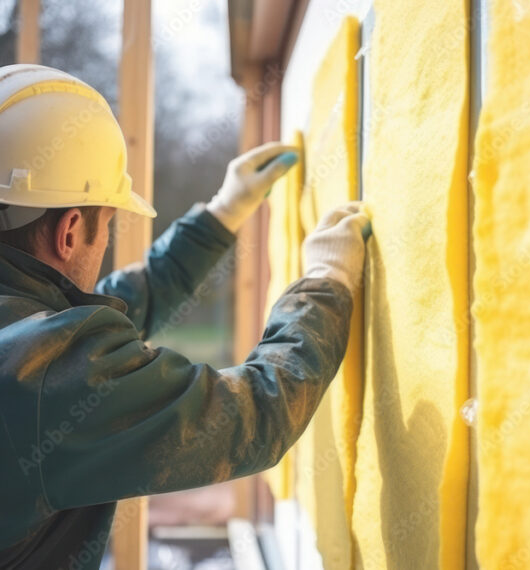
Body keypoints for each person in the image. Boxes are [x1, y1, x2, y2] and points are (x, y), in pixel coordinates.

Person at [0, 64, 370, 569]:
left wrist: (221, 215)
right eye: (107, 224)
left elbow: (110, 309)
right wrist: (325, 285)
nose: (106, 241)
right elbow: (254, 415)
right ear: (68, 232)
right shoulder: (39, 373)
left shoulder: (22, 329)